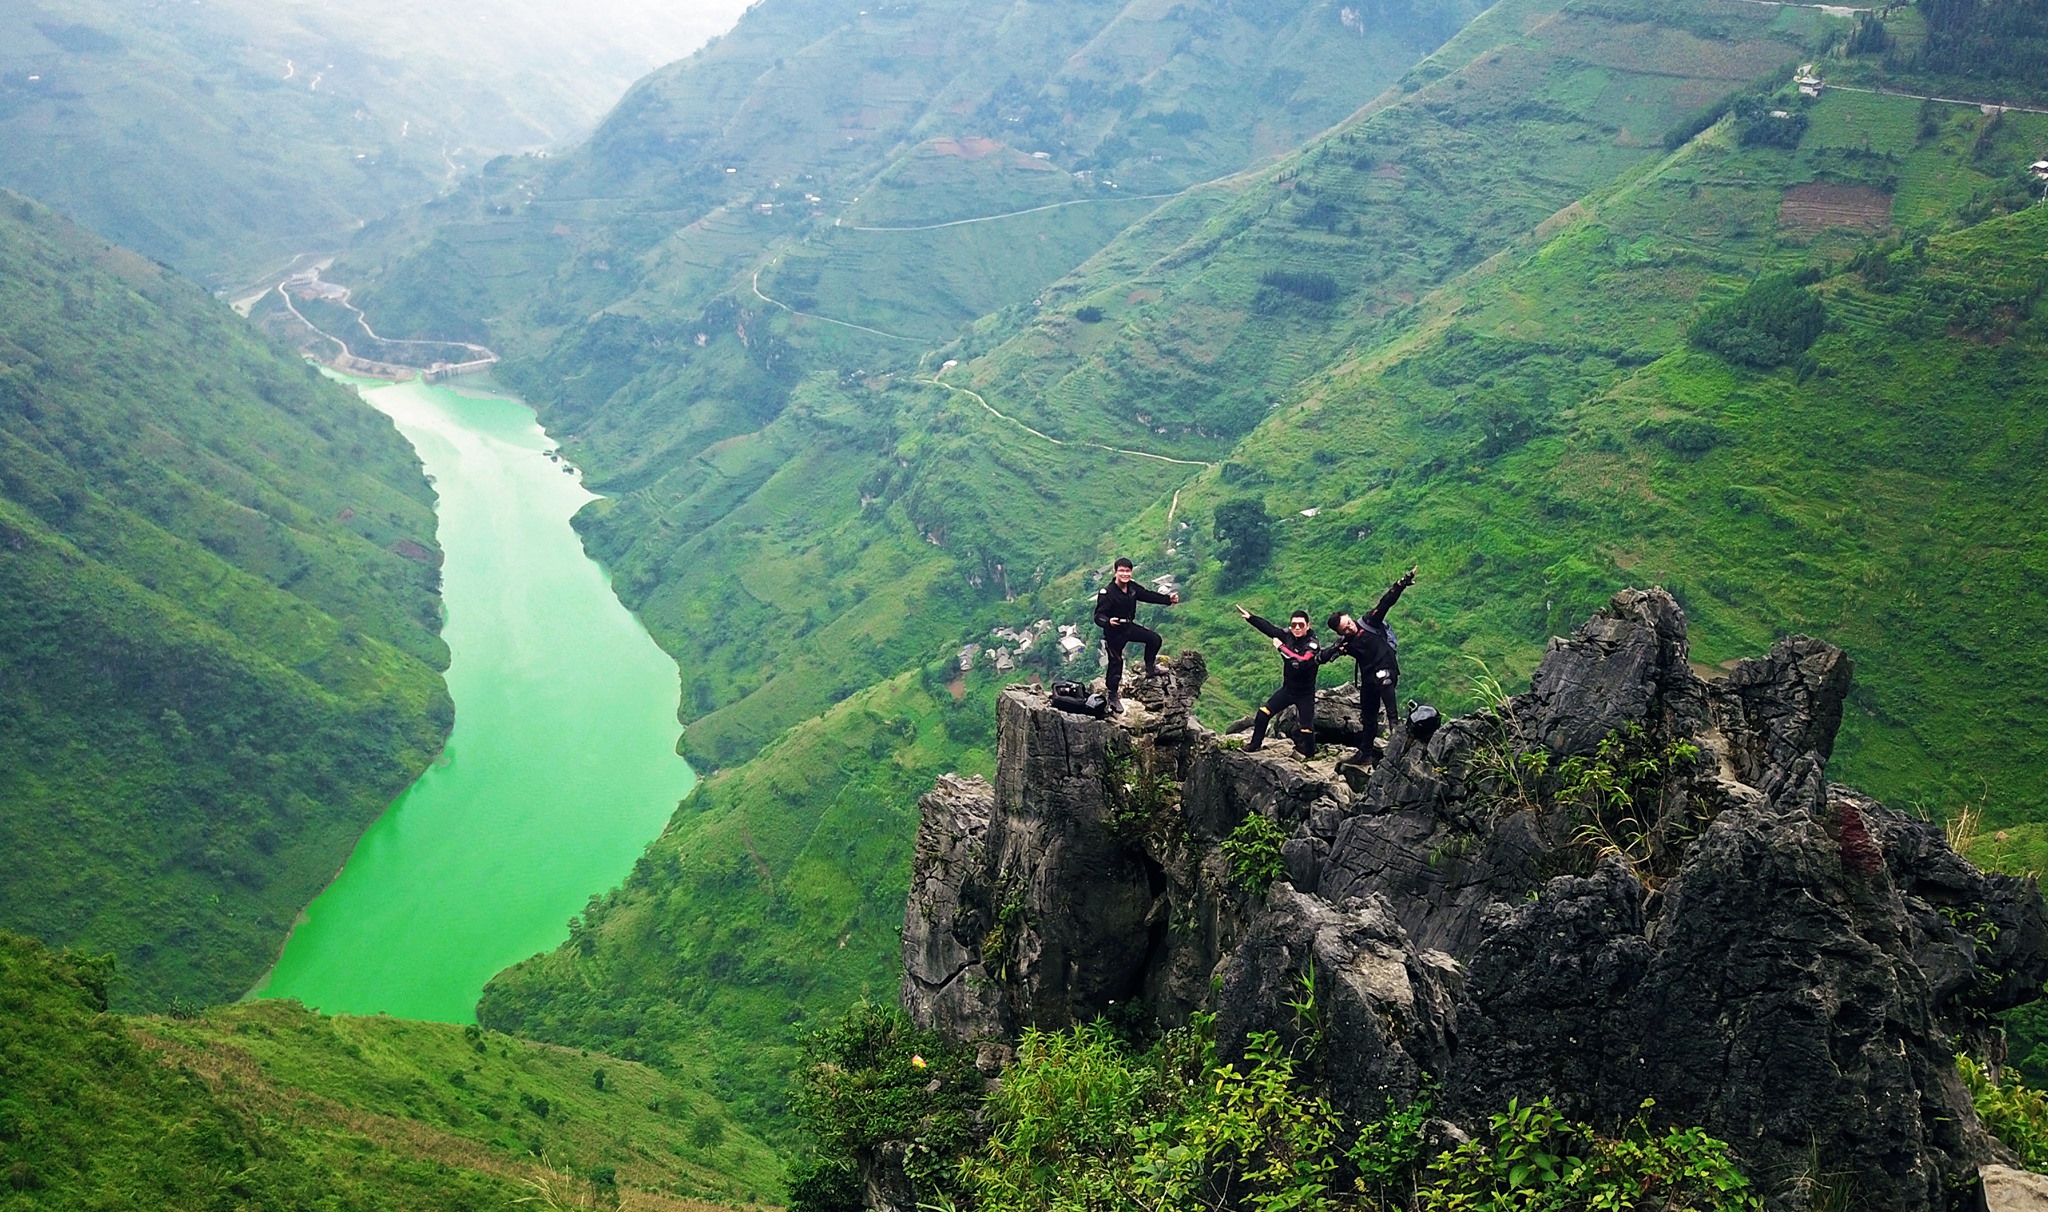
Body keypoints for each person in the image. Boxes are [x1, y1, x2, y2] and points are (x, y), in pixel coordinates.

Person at [1322, 566, 1417, 764]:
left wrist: (1401, 584)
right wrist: (1322, 655)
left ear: (1350, 617)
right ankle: (1365, 753)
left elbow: (1385, 603)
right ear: (1340, 633)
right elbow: (1326, 655)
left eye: (1348, 622)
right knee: (1368, 715)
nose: (1350, 627)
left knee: (1384, 679)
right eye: (1345, 629)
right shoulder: (1345, 643)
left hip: (1386, 668)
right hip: (1369, 677)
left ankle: (1394, 724)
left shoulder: (1369, 621)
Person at [1093, 558, 1179, 713]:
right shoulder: (1107, 592)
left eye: (1127, 571)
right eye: (1122, 571)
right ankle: (1113, 696)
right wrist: (1108, 622)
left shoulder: (1132, 588)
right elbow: (1098, 616)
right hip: (1114, 632)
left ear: (1131, 572)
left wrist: (1168, 600)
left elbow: (1147, 595)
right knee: (1116, 663)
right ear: (1116, 572)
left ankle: (1150, 668)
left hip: (1128, 626)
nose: (1125, 574)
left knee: (1154, 639)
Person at [1236, 605, 1322, 757]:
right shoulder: (1288, 635)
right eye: (1293, 624)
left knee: (1307, 728)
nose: (1296, 628)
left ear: (1308, 626)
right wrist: (1251, 618)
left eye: (1301, 625)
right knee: (1263, 713)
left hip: (1305, 693)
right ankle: (1254, 745)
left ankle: (1310, 756)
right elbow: (1270, 629)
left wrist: (1281, 648)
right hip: (1288, 690)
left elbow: (1300, 662)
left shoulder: (1312, 644)